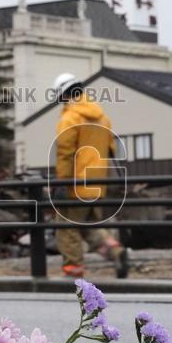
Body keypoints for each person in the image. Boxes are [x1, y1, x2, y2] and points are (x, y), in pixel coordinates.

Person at [51, 72, 129, 278]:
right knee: (87, 228)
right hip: (98, 184)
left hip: (76, 185)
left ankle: (72, 273)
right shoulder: (103, 117)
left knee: (66, 228)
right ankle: (116, 252)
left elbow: (65, 153)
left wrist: (61, 182)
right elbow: (111, 150)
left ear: (63, 95)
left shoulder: (70, 118)